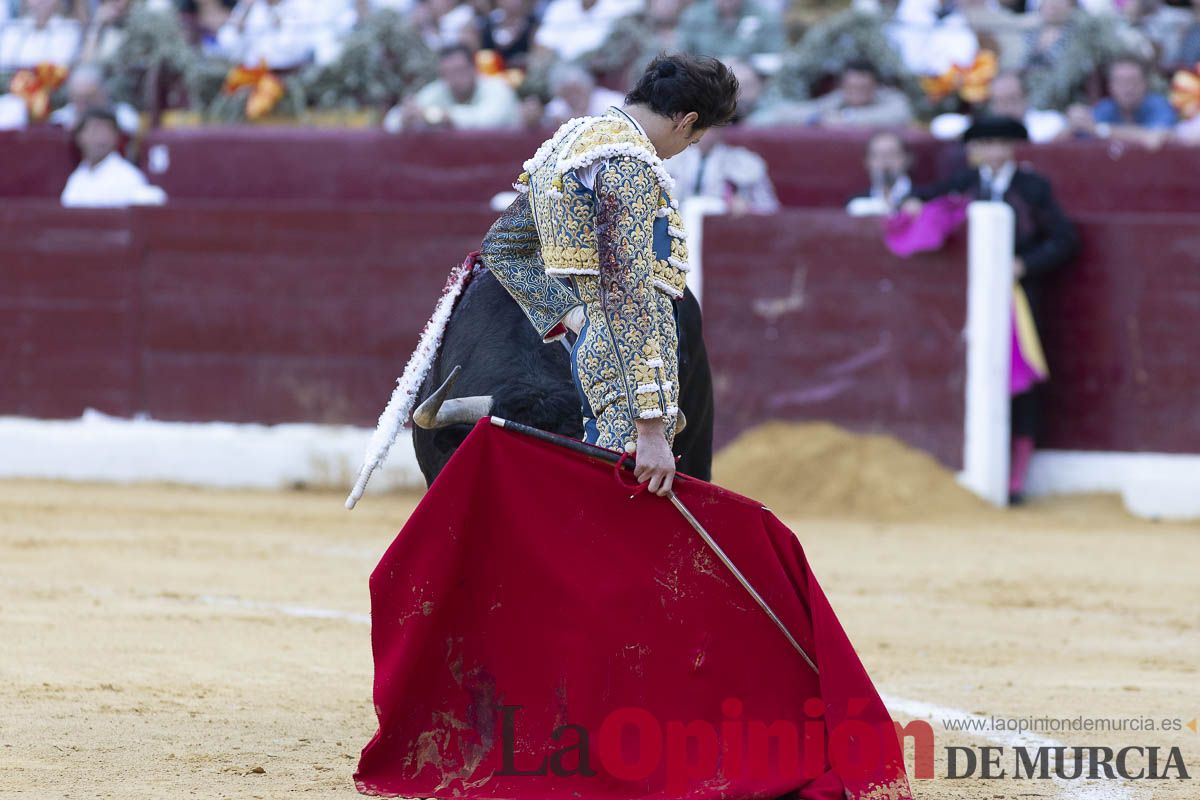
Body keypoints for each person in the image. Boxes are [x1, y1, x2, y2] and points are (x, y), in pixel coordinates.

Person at [482, 54, 739, 496]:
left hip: (598, 354)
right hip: (628, 377)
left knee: (601, 500)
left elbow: (502, 248)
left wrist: (573, 316)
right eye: (693, 139)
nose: (684, 149)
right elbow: (630, 297)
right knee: (623, 507)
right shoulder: (629, 165)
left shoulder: (569, 143)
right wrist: (651, 428)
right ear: (687, 121)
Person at [903, 115, 1078, 502]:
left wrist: (1024, 264)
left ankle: (1016, 476)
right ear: (974, 150)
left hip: (1021, 300)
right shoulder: (964, 182)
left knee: (1022, 384)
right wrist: (913, 203)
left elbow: (1064, 239)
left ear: (1012, 147)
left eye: (999, 142)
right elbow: (921, 198)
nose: (992, 151)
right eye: (984, 144)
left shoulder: (1033, 187)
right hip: (966, 302)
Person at [383, 43, 520, 131]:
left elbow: (489, 120)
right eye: (448, 73)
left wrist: (444, 117)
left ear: (474, 69)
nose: (455, 78)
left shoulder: (498, 88)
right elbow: (391, 121)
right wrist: (404, 119)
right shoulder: (437, 90)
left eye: (460, 70)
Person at [60, 106, 167, 208]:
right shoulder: (76, 177)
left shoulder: (129, 177)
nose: (100, 138)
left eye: (106, 131)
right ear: (79, 137)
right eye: (94, 130)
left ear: (116, 137)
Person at [761, 59, 914, 128]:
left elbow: (899, 115)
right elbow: (789, 113)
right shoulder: (838, 99)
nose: (856, 93)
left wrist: (847, 119)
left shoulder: (893, 99)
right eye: (851, 87)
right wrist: (816, 119)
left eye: (863, 87)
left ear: (876, 86)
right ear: (842, 86)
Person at [1064, 57, 1178, 147]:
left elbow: (1154, 138)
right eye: (1120, 82)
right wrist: (1073, 124)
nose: (1127, 88)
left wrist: (1100, 130)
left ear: (1145, 84)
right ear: (1110, 86)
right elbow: (1079, 134)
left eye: (1132, 81)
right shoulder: (1105, 108)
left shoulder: (1159, 106)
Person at [665, 126, 780, 214]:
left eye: (711, 127)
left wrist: (748, 209)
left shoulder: (746, 162)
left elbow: (769, 210)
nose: (705, 133)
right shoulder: (668, 159)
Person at [930, 71, 1067, 143]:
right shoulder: (986, 124)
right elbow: (940, 126)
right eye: (999, 101)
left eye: (1012, 99)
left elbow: (1047, 131)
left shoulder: (1046, 122)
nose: (1006, 107)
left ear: (1025, 98)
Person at [48, 63, 140, 135]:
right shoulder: (60, 119)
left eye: (88, 98)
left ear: (103, 94)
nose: (83, 104)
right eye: (78, 99)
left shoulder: (124, 115)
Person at [0, 0, 83, 70]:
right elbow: (5, 64)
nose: (41, 1)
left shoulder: (70, 30)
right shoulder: (12, 30)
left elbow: (62, 64)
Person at [846, 130, 913, 216]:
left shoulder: (925, 199)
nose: (884, 161)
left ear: (906, 159)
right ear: (867, 162)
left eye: (892, 154)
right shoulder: (856, 203)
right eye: (877, 155)